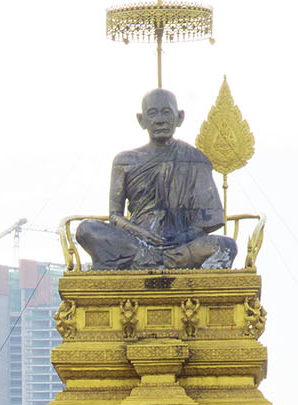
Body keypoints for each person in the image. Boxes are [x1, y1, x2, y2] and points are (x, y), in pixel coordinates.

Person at [75, 88, 237, 271]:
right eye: (152, 113)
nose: (160, 120)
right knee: (86, 229)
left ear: (179, 117)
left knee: (227, 246)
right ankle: (151, 257)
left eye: (166, 112)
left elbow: (209, 220)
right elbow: (115, 216)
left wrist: (182, 238)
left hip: (183, 245)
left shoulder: (194, 159)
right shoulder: (125, 161)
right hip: (138, 243)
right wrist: (140, 233)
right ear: (141, 120)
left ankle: (163, 260)